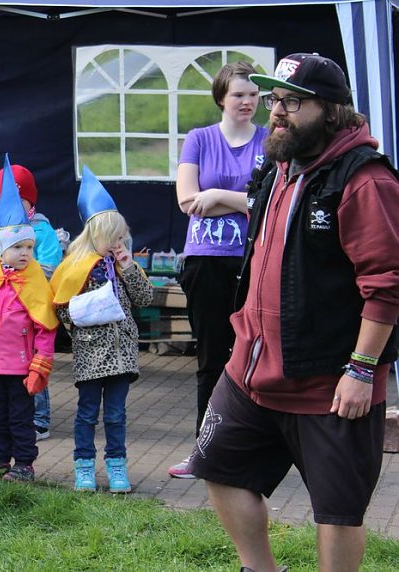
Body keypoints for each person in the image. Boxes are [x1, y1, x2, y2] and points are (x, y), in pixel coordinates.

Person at [187, 53, 399, 572]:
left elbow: (388, 287)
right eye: (274, 100)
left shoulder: (366, 180)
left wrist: (361, 370)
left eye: (291, 102)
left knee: (338, 513)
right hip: (251, 370)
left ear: (330, 111)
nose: (275, 113)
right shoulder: (281, 165)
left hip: (331, 382)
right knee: (218, 469)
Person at [169, 61, 268, 479]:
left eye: (253, 94)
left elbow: (268, 200)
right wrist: (241, 198)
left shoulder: (271, 140)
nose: (247, 102)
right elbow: (187, 201)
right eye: (238, 95)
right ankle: (205, 451)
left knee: (256, 357)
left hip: (257, 258)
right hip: (206, 260)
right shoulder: (199, 138)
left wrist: (217, 193)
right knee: (213, 357)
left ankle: (256, 448)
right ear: (221, 98)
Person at [50, 167, 153, 493]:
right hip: (91, 353)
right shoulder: (75, 264)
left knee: (116, 415)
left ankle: (117, 467)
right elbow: (61, 304)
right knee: (86, 414)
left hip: (122, 355)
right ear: (95, 235)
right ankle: (84, 468)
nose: (117, 243)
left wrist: (127, 267)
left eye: (120, 237)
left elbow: (145, 298)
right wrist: (80, 320)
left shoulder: (125, 265)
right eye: (111, 237)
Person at [0, 156, 59, 482]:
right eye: (17, 247)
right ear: (0, 249)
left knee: (21, 417)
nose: (25, 254)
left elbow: (45, 325)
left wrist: (41, 363)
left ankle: (24, 463)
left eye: (29, 247)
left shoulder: (34, 279)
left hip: (20, 366)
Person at [0, 163, 63, 441]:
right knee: (4, 369)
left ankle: (39, 418)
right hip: (4, 309)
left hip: (32, 306)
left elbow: (52, 264)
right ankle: (3, 419)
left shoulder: (41, 231)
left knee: (33, 360)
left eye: (20, 199)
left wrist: (24, 273)